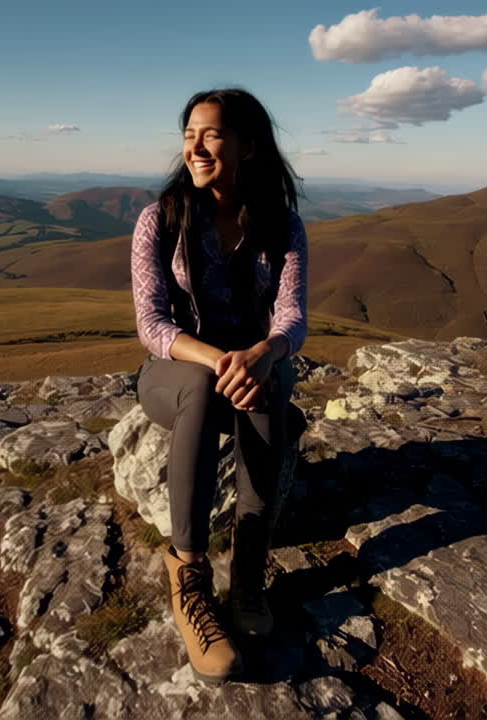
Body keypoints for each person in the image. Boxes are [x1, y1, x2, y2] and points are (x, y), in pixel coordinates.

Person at [130, 87, 308, 685]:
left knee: (266, 388)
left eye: (210, 134)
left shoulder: (282, 224)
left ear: (247, 146)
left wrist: (264, 352)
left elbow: (292, 317)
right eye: (189, 135)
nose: (195, 146)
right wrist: (220, 360)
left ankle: (249, 574)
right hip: (175, 370)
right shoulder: (161, 219)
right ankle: (189, 575)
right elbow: (152, 323)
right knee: (211, 388)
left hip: (252, 363)